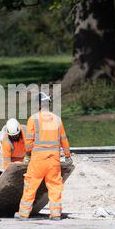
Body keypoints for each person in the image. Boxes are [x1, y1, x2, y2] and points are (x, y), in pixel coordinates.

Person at [15, 92, 72, 221]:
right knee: (54, 186)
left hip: (38, 160)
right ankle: (56, 214)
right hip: (54, 160)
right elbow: (64, 139)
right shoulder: (57, 119)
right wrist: (67, 155)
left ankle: (24, 214)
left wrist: (28, 154)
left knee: (31, 185)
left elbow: (29, 142)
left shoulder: (33, 119)